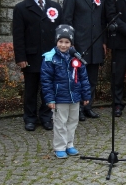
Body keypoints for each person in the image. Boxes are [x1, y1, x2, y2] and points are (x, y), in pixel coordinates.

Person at [12, 0, 63, 131]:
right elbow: (18, 35)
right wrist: (21, 57)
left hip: (51, 57)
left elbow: (60, 33)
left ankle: (46, 116)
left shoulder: (55, 6)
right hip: (32, 56)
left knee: (49, 88)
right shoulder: (21, 8)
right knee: (31, 89)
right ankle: (30, 118)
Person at [63, 0, 106, 121]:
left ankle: (88, 106)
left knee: (92, 78)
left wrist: (103, 41)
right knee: (78, 78)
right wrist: (70, 42)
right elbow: (67, 18)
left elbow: (102, 19)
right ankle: (77, 108)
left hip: (95, 42)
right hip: (79, 42)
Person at [41, 24, 91, 159]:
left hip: (74, 96)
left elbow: (83, 77)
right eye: (61, 42)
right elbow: (46, 81)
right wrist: (50, 99)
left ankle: (69, 144)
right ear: (56, 42)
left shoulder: (76, 57)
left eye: (67, 42)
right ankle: (59, 147)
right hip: (59, 97)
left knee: (73, 121)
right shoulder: (50, 58)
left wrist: (86, 94)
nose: (63, 45)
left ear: (71, 43)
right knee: (60, 123)